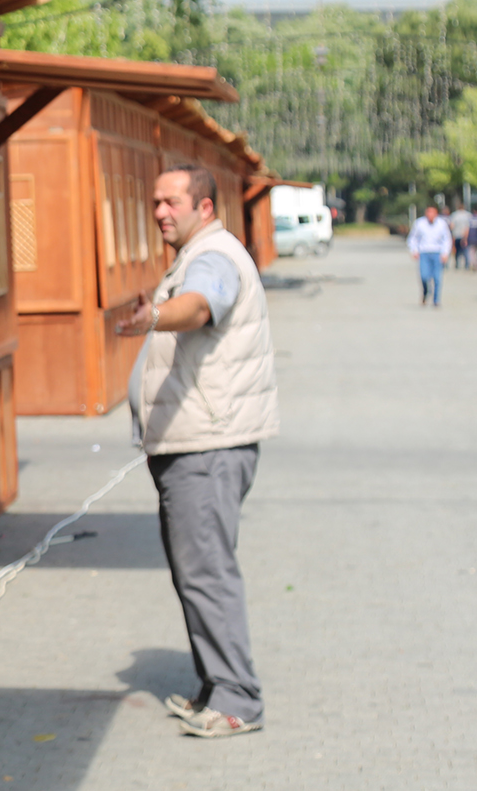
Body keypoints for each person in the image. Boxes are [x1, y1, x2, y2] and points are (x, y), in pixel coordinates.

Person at [119, 165, 279, 740]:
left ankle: (238, 700)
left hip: (208, 447)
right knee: (195, 570)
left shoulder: (212, 258)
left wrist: (156, 316)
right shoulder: (198, 254)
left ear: (205, 207)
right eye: (156, 202)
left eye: (173, 202)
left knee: (207, 572)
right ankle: (216, 686)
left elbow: (201, 305)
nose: (161, 212)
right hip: (194, 444)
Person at [408, 205, 454, 306]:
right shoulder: (419, 223)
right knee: (424, 276)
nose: (430, 215)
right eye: (429, 212)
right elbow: (413, 238)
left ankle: (436, 299)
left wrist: (445, 253)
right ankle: (426, 291)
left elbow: (447, 239)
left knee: (437, 278)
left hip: (437, 253)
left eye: (433, 213)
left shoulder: (441, 224)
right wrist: (414, 250)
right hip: (424, 252)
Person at [448, 205, 473, 270]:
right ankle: (467, 265)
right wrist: (466, 237)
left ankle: (457, 264)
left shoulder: (454, 215)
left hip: (456, 235)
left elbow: (452, 226)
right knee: (465, 251)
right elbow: (467, 227)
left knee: (457, 251)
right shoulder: (468, 215)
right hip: (464, 235)